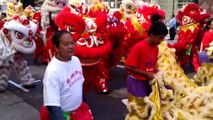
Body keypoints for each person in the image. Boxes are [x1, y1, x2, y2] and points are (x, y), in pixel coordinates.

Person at [40, 30, 93, 120]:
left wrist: (83, 101)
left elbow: (79, 84)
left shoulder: (76, 60)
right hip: (64, 115)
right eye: (66, 44)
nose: (71, 47)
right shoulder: (52, 71)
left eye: (72, 43)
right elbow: (53, 106)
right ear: (56, 48)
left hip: (79, 111)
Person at [125, 21, 168, 119]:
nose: (161, 41)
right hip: (136, 83)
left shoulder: (156, 48)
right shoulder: (139, 47)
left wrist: (159, 73)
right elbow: (127, 67)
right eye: (159, 38)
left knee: (150, 108)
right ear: (152, 34)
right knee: (139, 111)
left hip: (148, 82)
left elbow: (152, 65)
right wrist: (146, 73)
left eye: (163, 38)